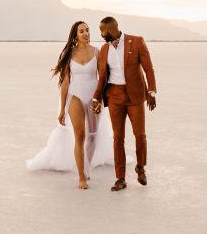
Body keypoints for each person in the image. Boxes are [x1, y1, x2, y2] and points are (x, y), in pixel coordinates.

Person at [26, 21, 112, 189]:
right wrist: (61, 110)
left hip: (93, 96)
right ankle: (81, 176)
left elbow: (103, 78)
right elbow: (65, 83)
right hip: (75, 96)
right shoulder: (69, 53)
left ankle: (86, 167)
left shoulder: (97, 52)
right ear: (75, 35)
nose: (86, 33)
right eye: (82, 31)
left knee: (92, 135)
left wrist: (100, 99)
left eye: (87, 30)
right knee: (79, 136)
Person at [91, 16, 157, 191]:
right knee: (118, 138)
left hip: (135, 96)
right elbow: (102, 77)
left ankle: (140, 167)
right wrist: (96, 98)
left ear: (112, 29)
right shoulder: (104, 50)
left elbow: (148, 67)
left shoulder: (136, 42)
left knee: (140, 134)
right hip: (115, 97)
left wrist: (151, 91)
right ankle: (120, 178)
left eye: (102, 30)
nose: (101, 34)